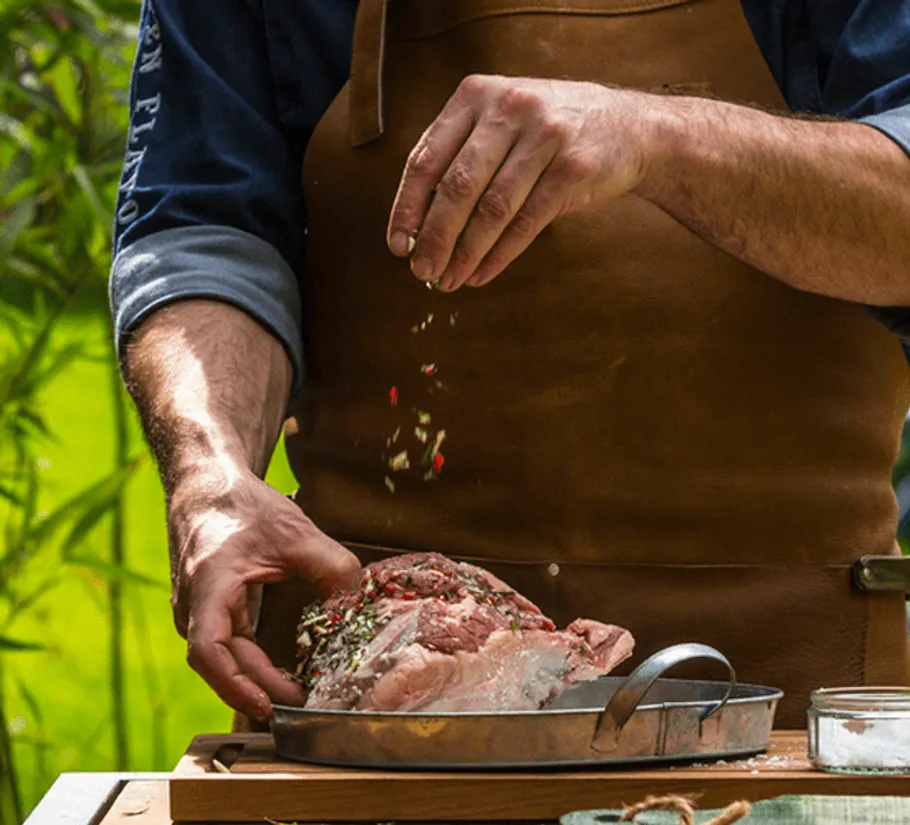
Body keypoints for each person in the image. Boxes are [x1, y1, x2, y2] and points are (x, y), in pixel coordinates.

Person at [110, 0, 910, 730]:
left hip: (793, 704)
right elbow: (204, 226)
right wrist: (210, 477)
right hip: (385, 725)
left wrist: (660, 137)